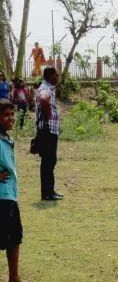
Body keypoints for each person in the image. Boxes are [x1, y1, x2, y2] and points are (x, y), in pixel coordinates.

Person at [0, 99, 36, 282]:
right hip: (1, 198)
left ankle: (13, 279)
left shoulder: (6, 138)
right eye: (6, 115)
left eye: (12, 114)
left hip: (9, 196)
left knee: (14, 238)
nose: (11, 118)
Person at [35, 67, 62, 201]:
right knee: (48, 161)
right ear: (51, 76)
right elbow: (44, 99)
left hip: (49, 131)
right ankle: (47, 193)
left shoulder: (49, 87)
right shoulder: (45, 88)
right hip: (47, 131)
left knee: (50, 161)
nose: (58, 77)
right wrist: (48, 115)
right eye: (56, 75)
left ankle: (49, 190)